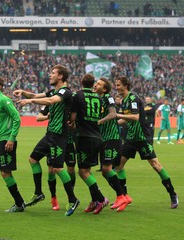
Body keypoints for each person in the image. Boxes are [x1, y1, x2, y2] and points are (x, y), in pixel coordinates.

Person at [16, 64, 81, 216]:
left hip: (59, 136)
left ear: (60, 76)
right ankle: (38, 193)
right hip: (50, 134)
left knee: (57, 168)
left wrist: (30, 102)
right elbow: (35, 96)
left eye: (53, 73)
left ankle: (73, 199)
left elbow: (51, 101)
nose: (50, 75)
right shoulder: (54, 91)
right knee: (33, 159)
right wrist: (24, 93)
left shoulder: (65, 92)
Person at [115, 76, 178, 209]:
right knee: (119, 165)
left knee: (155, 165)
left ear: (126, 85)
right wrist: (111, 123)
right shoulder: (124, 101)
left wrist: (117, 116)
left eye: (118, 85)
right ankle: (124, 197)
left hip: (143, 138)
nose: (116, 87)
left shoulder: (134, 99)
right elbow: (124, 120)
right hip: (131, 138)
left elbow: (135, 117)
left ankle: (172, 193)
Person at [68, 74, 108, 214]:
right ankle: (94, 201)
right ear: (92, 85)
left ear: (81, 82)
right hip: (97, 136)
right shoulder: (98, 98)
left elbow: (72, 118)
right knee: (88, 171)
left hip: (84, 137)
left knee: (83, 172)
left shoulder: (78, 96)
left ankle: (101, 199)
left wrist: (71, 123)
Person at [0, 76, 24, 212]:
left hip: (7, 140)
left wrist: (12, 138)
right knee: (5, 172)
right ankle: (19, 203)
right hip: (0, 140)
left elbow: (17, 118)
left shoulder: (4, 100)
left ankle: (19, 204)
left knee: (5, 172)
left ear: (0, 86)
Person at [95, 77, 130, 212]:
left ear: (104, 89)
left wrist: (98, 122)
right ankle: (122, 196)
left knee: (108, 169)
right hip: (104, 139)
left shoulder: (108, 98)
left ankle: (122, 196)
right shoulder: (99, 100)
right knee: (105, 171)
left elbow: (113, 115)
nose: (95, 85)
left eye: (98, 84)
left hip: (112, 139)